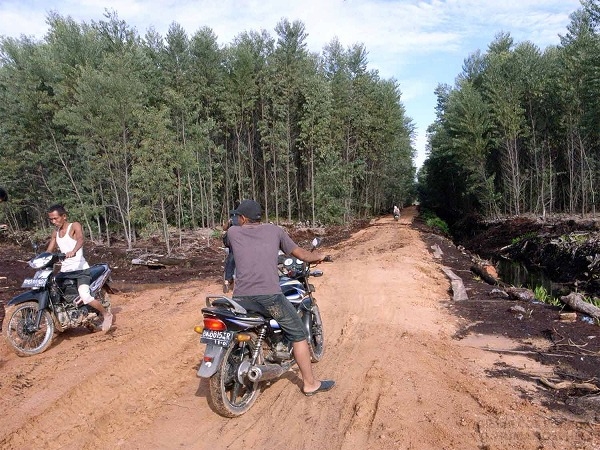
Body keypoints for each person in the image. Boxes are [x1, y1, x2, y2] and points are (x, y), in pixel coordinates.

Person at [226, 199, 335, 396]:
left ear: (242, 218)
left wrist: (231, 223)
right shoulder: (275, 231)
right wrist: (319, 256)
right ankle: (310, 384)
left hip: (241, 297)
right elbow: (301, 253)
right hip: (269, 296)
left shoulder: (234, 233)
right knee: (298, 333)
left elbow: (226, 232)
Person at [46, 204, 113, 332]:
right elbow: (49, 250)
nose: (53, 221)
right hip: (65, 271)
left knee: (85, 296)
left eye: (55, 218)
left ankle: (106, 314)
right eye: (51, 219)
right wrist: (38, 259)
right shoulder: (55, 232)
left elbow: (81, 239)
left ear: (64, 216)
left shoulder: (74, 226)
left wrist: (74, 250)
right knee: (52, 290)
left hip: (81, 270)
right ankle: (66, 317)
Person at [221, 212, 239, 293]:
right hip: (241, 246)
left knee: (230, 260)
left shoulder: (231, 221)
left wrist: (228, 222)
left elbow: (224, 228)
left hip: (233, 247)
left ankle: (227, 281)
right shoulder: (242, 221)